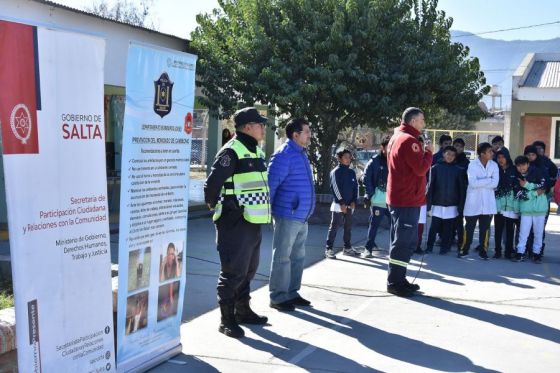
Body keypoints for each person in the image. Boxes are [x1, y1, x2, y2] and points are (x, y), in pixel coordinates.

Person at [204, 107, 271, 338]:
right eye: (260, 124)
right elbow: (211, 186)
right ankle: (227, 320)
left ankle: (243, 311)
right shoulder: (231, 151)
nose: (264, 128)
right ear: (248, 127)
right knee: (233, 272)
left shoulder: (256, 152)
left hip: (252, 222)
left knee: (248, 270)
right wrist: (225, 210)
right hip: (235, 221)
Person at [268, 118, 315, 311]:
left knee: (297, 257)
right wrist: (265, 213)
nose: (309, 135)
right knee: (282, 257)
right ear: (295, 135)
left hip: (301, 216)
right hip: (287, 215)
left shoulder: (301, 154)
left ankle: (291, 292)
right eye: (306, 132)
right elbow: (270, 186)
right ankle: (278, 296)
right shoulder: (284, 155)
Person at [385, 107, 433, 297]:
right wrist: (429, 152)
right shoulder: (409, 141)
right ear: (413, 121)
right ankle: (395, 282)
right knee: (403, 242)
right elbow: (421, 169)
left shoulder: (398, 136)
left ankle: (399, 278)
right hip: (406, 199)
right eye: (422, 120)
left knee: (402, 241)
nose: (423, 124)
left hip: (402, 197)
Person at [459, 142, 499, 260]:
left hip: (488, 203)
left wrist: (482, 180)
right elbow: (473, 183)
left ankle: (483, 251)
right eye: (489, 151)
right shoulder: (472, 165)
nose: (492, 153)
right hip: (473, 202)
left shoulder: (494, 165)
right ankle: (464, 249)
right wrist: (488, 180)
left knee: (485, 229)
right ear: (482, 154)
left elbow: (495, 183)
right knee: (469, 228)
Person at [425, 146, 466, 254]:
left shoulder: (458, 170)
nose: (450, 157)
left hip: (452, 204)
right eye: (448, 154)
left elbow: (461, 190)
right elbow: (430, 187)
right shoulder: (435, 168)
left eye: (452, 155)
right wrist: (429, 203)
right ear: (443, 154)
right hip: (437, 203)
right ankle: (429, 247)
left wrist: (460, 205)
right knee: (434, 227)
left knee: (448, 229)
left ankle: (445, 247)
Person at [324, 149, 359, 259]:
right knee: (334, 226)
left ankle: (347, 248)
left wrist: (354, 201)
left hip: (350, 205)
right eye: (346, 157)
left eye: (349, 157)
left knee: (348, 227)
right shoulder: (335, 172)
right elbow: (335, 188)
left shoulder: (352, 172)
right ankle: (328, 249)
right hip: (339, 205)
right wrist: (342, 203)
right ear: (339, 159)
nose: (348, 159)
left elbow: (355, 187)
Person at [513, 155, 548, 263]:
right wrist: (535, 193)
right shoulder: (516, 176)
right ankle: (520, 253)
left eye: (523, 165)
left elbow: (543, 186)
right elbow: (520, 194)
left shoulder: (537, 172)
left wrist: (527, 185)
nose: (521, 168)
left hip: (539, 209)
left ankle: (536, 254)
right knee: (523, 233)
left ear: (528, 164)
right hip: (526, 210)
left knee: (538, 233)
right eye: (518, 166)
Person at [361, 135, 391, 258]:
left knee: (394, 226)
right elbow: (366, 178)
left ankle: (393, 251)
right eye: (388, 147)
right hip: (378, 200)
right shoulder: (374, 161)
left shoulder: (395, 160)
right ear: (382, 147)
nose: (391, 150)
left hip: (393, 200)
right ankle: (368, 248)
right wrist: (370, 194)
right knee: (374, 225)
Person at [494, 150, 519, 259]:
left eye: (503, 157)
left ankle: (508, 251)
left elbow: (518, 185)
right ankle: (497, 251)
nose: (501, 159)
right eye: (498, 157)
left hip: (511, 206)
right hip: (498, 204)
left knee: (510, 229)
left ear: (507, 157)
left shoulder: (514, 169)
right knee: (498, 229)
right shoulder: (495, 169)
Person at [453, 138, 470, 248]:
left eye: (460, 146)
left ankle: (461, 242)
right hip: (449, 194)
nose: (457, 148)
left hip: (461, 195)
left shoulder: (466, 162)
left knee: (459, 219)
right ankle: (448, 239)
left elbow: (468, 180)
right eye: (456, 145)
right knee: (449, 220)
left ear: (463, 148)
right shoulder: (450, 159)